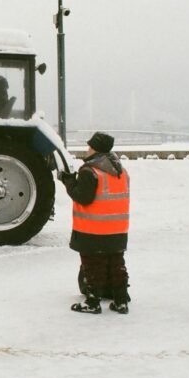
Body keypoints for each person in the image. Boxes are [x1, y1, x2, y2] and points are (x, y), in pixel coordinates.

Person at [61, 132, 131, 314]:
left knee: (92, 265)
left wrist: (68, 182)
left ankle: (92, 302)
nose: (87, 149)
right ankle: (121, 301)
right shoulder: (121, 171)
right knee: (117, 264)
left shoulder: (90, 171)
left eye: (90, 146)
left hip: (93, 229)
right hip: (117, 229)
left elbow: (82, 198)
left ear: (96, 149)